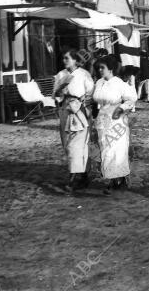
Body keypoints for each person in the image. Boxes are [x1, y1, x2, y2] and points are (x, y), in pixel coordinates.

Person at [92, 55, 137, 195]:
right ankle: (119, 179)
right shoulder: (99, 82)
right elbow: (94, 99)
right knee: (105, 148)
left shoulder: (119, 83)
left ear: (110, 68)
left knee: (115, 150)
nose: (100, 70)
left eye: (102, 67)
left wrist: (121, 108)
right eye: (99, 67)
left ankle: (113, 181)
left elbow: (132, 99)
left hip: (117, 120)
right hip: (102, 119)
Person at [53, 50, 95, 192]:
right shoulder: (60, 75)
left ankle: (72, 180)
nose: (64, 61)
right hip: (65, 110)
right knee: (67, 143)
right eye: (63, 58)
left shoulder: (84, 74)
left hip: (79, 112)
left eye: (67, 58)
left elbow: (91, 93)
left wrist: (84, 103)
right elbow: (56, 95)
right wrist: (59, 93)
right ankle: (83, 176)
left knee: (76, 146)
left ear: (75, 60)